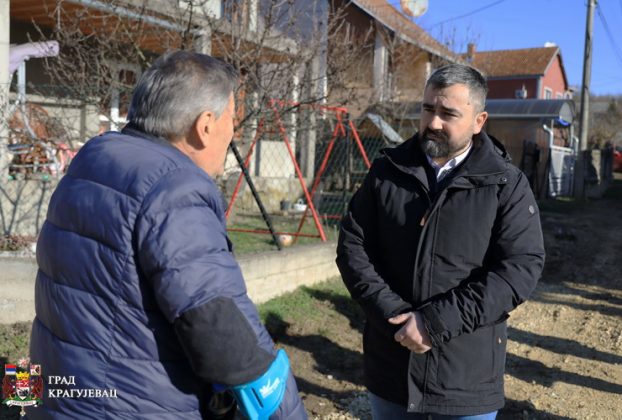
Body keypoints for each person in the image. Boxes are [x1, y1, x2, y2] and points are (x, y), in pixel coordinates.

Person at [27, 50, 307, 419]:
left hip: (55, 397)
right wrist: (287, 411)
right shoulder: (176, 189)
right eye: (231, 120)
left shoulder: (93, 158)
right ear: (205, 126)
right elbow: (221, 332)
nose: (232, 134)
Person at [336, 64, 545, 419]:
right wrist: (393, 315)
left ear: (479, 121)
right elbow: (353, 248)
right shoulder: (387, 171)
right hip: (392, 368)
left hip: (464, 380)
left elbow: (518, 269)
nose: (433, 122)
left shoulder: (505, 184)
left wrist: (434, 324)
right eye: (428, 108)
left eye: (448, 113)